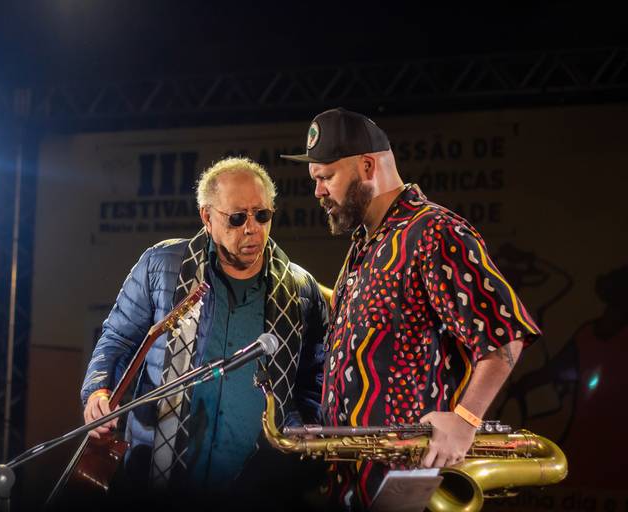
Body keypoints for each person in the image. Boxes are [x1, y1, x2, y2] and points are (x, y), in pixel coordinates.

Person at [281, 108, 542, 509]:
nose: (317, 191)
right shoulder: (366, 243)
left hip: (406, 483)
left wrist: (465, 421)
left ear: (367, 166)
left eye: (325, 177)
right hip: (355, 485)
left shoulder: (433, 231)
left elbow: (504, 334)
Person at [80, 156, 327, 508]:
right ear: (207, 217)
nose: (252, 228)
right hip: (158, 485)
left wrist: (304, 428)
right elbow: (118, 339)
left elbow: (315, 376)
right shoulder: (160, 265)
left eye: (262, 215)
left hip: (261, 491)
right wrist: (97, 393)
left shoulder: (302, 289)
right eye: (237, 218)